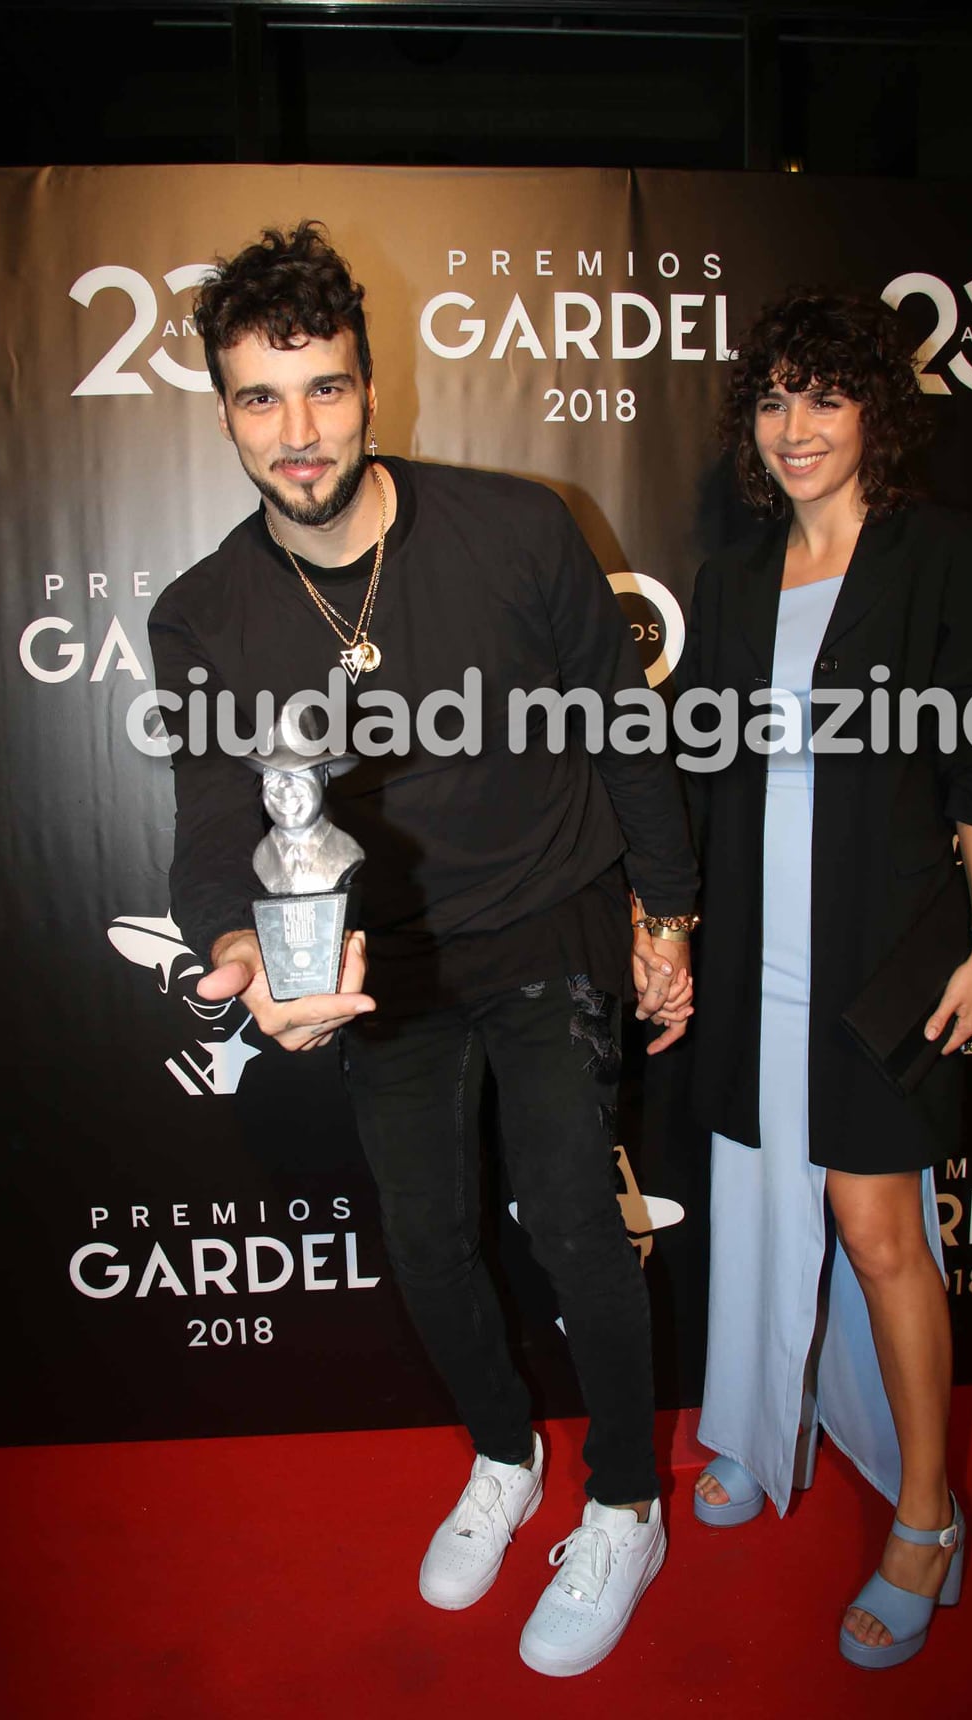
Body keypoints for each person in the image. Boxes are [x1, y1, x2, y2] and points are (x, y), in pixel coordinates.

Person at [147, 222, 697, 1679]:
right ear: (222, 408)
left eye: (323, 389)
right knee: (433, 1244)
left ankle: (629, 1502)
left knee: (580, 1227)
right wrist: (239, 950)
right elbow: (213, 819)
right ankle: (505, 1459)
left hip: (554, 917)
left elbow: (625, 729)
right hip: (377, 968)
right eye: (261, 399)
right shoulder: (202, 614)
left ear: (371, 385)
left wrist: (669, 914)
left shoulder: (517, 526)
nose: (298, 431)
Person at [682, 289, 972, 1668]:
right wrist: (663, 922)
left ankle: (928, 1513)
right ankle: (759, 1436)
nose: (795, 427)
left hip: (883, 956)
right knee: (758, 1202)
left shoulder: (945, 553)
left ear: (877, 409)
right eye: (772, 399)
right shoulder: (729, 577)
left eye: (824, 395)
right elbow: (699, 768)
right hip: (753, 947)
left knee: (882, 1230)